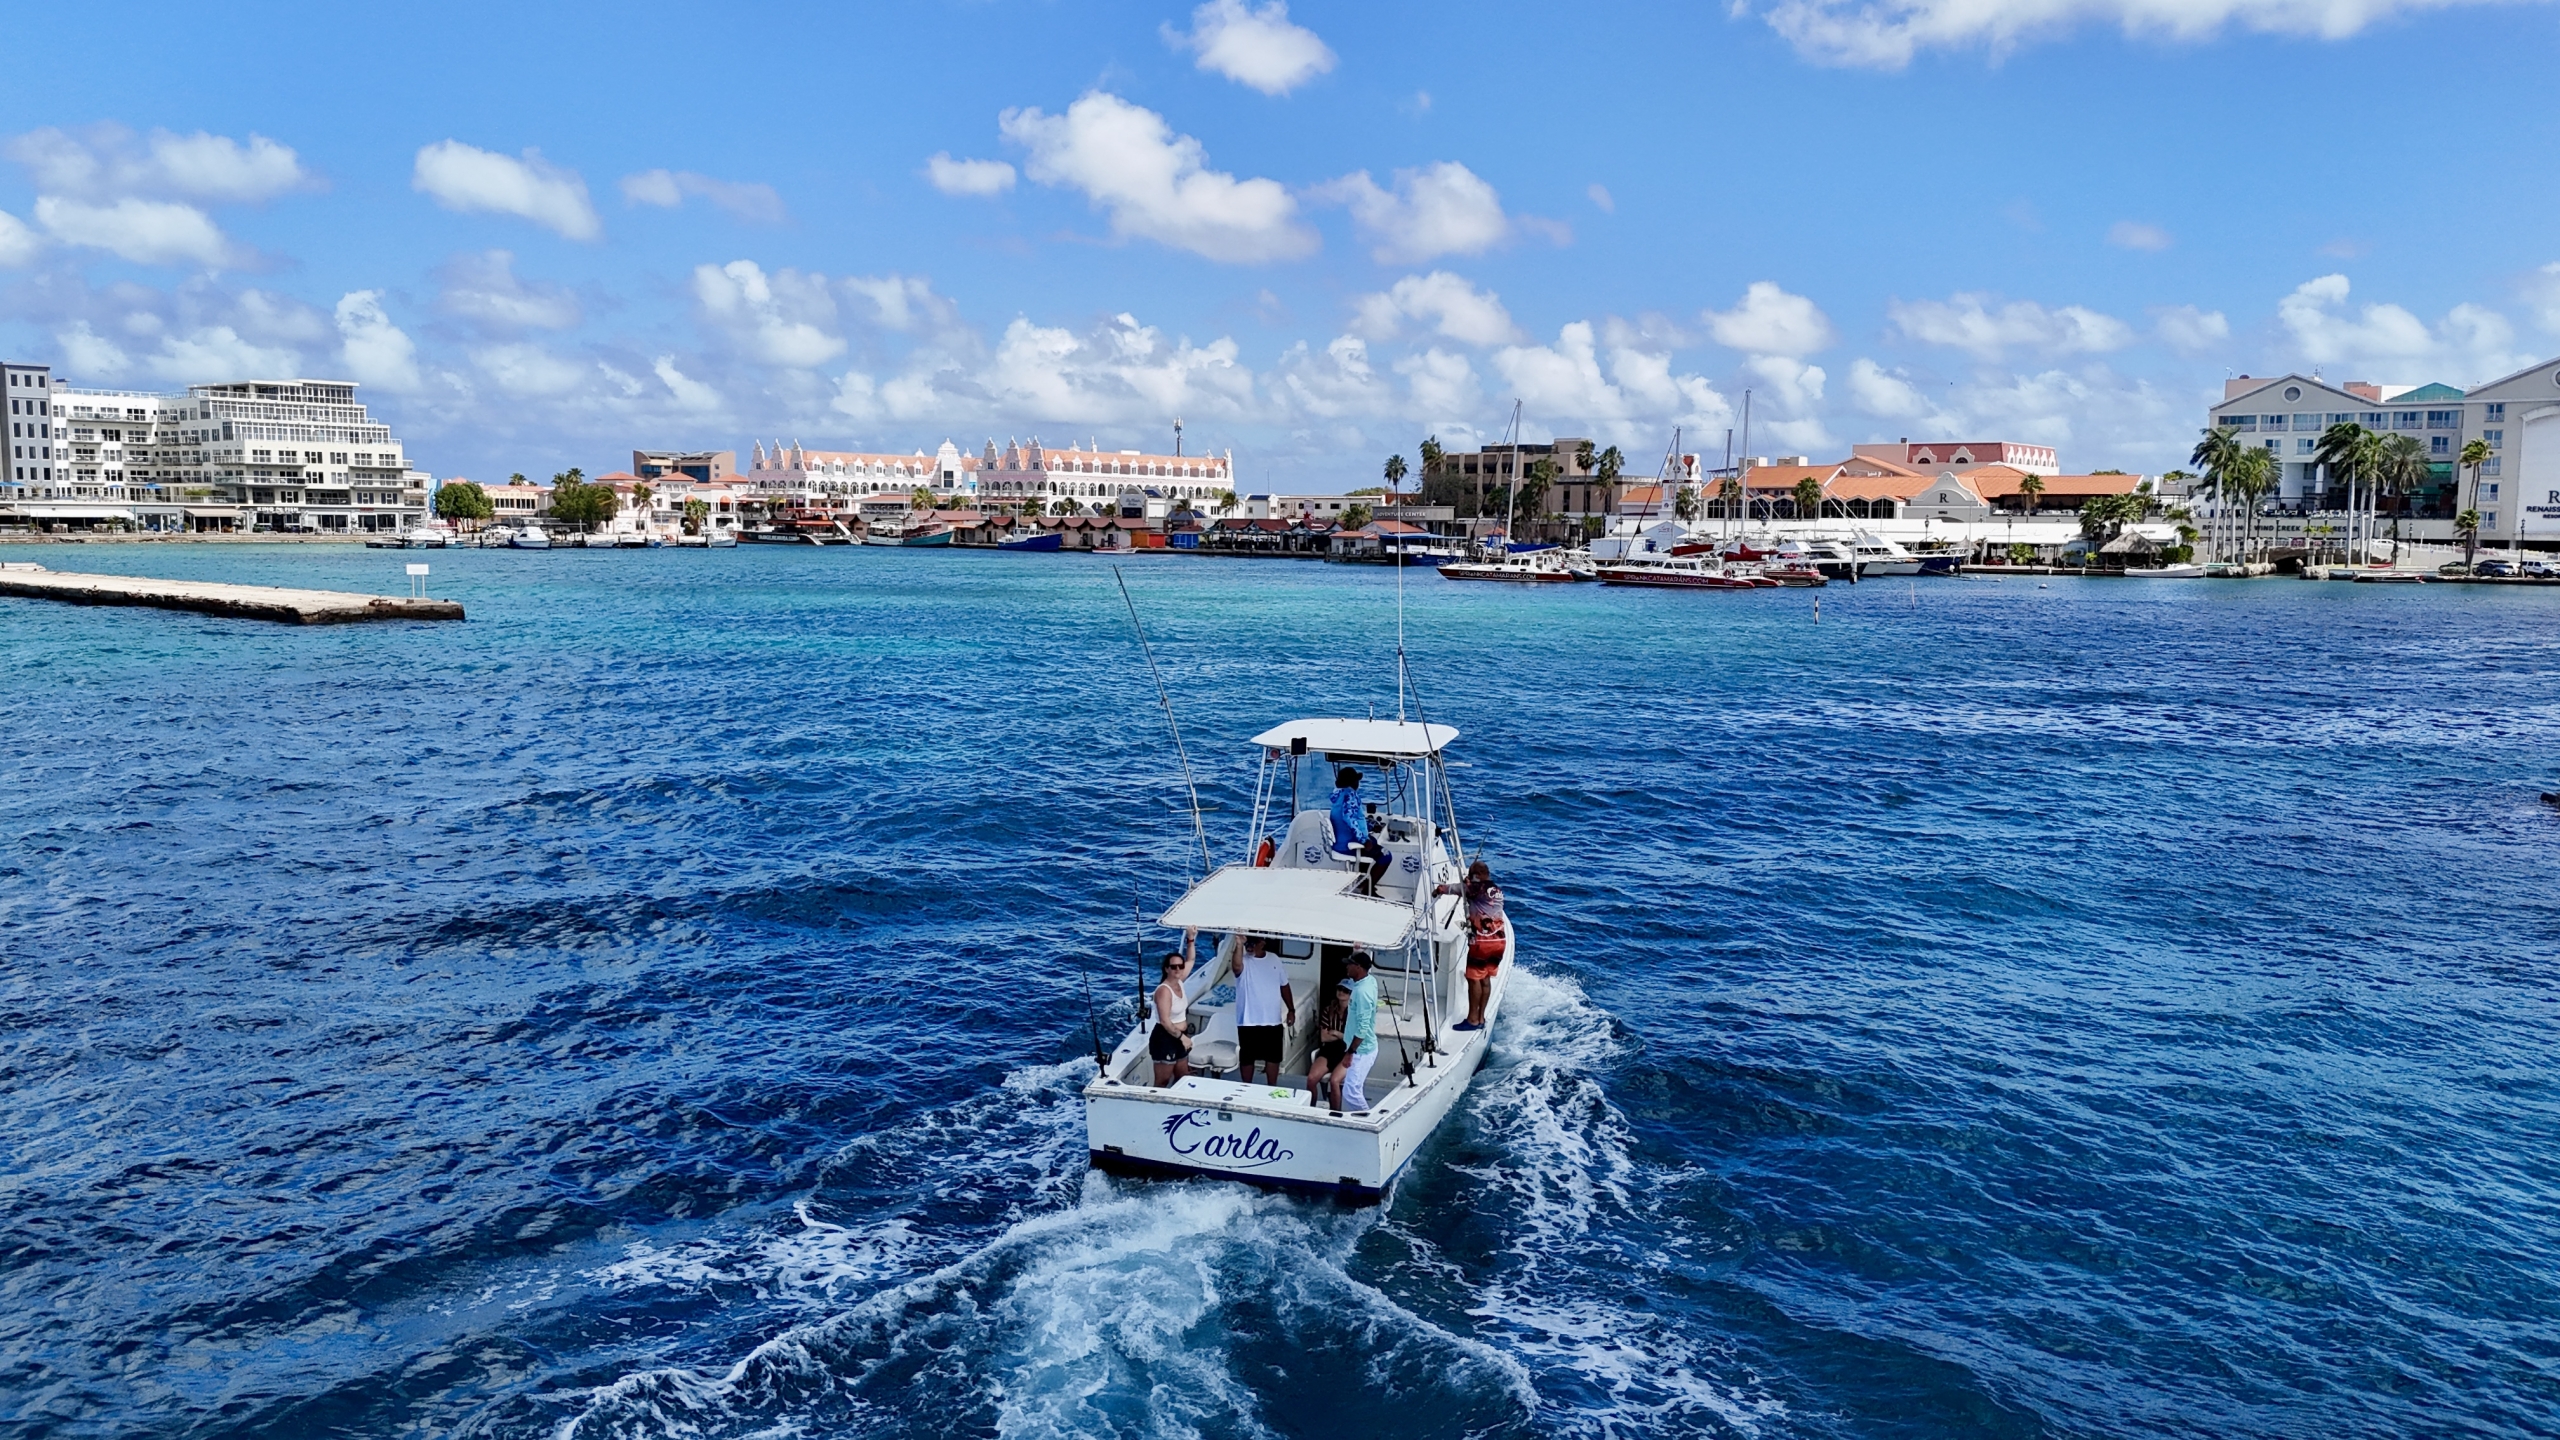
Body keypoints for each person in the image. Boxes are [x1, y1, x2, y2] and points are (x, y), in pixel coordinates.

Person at [1231, 934, 1295, 1087]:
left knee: (1273, 1057)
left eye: (1253, 943)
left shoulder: (1274, 959)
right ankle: (1246, 1087)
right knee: (1247, 1057)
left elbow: (1284, 985)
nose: (1250, 947)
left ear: (1262, 943)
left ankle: (1271, 1086)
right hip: (1248, 1020)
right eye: (1248, 944)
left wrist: (1291, 1009)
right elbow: (1236, 967)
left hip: (1272, 1019)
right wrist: (1239, 944)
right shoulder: (1243, 961)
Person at [1454, 860, 1505, 1032]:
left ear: (1475, 876)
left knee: (1473, 979)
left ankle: (1472, 1019)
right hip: (1499, 941)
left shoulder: (1475, 889)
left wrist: (1437, 890)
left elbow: (1453, 889)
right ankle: (1481, 1017)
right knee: (1485, 978)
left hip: (1481, 942)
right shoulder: (1497, 890)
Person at [1327, 766, 1392, 892]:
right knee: (1386, 856)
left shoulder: (1339, 795)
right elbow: (1348, 818)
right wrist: (1363, 840)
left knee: (1373, 840)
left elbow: (1352, 818)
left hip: (1341, 841)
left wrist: (1370, 826)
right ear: (1352, 782)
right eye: (1356, 780)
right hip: (1348, 845)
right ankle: (1367, 889)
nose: (1358, 783)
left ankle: (1363, 882)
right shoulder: (1349, 796)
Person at [1149, 928, 1198, 1087]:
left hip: (1179, 1036)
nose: (1178, 969)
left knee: (1182, 1075)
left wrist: (1190, 939)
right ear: (1167, 969)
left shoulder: (1179, 980)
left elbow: (1191, 959)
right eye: (1174, 967)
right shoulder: (1164, 991)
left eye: (1180, 966)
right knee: (1163, 1080)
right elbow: (1165, 1021)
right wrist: (1182, 1038)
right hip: (1165, 1038)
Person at [1337, 950, 1381, 1113]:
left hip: (1361, 1051)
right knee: (1352, 1089)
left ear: (1359, 967)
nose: (1347, 967)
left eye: (1350, 964)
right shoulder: (1369, 980)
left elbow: (1362, 1030)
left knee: (1351, 1093)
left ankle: (1368, 1121)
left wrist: (1350, 1053)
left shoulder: (1362, 993)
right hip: (1361, 1049)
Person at [1306, 977, 1349, 1109]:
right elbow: (1324, 1038)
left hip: (1346, 1052)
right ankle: (1310, 1109)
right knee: (1311, 1079)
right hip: (1329, 1050)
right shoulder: (1328, 1010)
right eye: (1339, 989)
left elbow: (1352, 1039)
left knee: (1334, 1082)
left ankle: (1335, 1114)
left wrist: (1336, 1033)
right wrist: (1343, 1035)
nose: (1341, 992)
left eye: (1345, 990)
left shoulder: (1355, 1013)